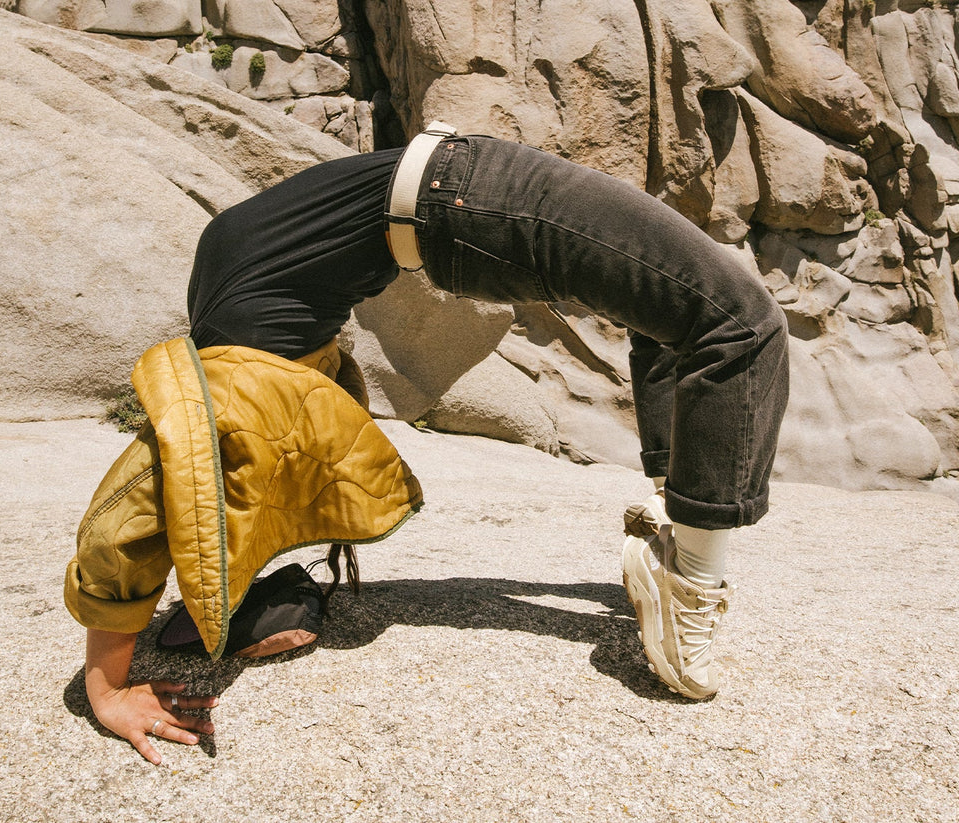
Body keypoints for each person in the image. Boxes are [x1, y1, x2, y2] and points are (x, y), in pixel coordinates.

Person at [76, 125, 790, 764]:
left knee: (726, 319)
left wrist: (105, 682)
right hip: (452, 185)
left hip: (459, 193)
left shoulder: (232, 372)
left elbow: (133, 512)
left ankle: (678, 552)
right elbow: (167, 501)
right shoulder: (241, 311)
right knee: (726, 319)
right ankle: (684, 569)